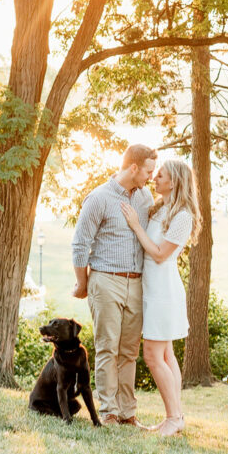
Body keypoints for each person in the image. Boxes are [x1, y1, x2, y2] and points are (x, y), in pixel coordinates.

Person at [71, 144, 156, 428]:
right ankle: (108, 412)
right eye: (148, 171)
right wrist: (83, 283)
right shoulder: (99, 198)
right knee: (108, 347)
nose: (151, 177)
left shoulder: (145, 197)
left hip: (137, 282)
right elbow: (80, 244)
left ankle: (127, 412)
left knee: (129, 351)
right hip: (106, 280)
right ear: (133, 168)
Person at [120, 160, 198, 437]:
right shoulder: (160, 208)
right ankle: (177, 416)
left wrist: (134, 225)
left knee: (153, 355)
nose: (155, 178)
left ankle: (173, 417)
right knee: (166, 354)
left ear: (174, 182)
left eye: (160, 175)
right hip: (151, 289)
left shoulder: (182, 216)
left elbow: (160, 254)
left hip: (163, 293)